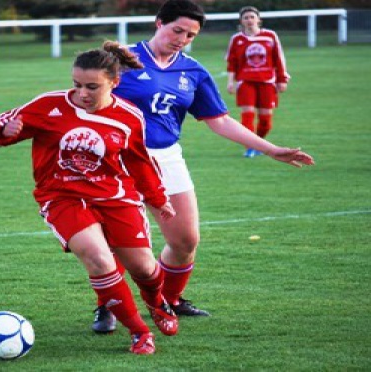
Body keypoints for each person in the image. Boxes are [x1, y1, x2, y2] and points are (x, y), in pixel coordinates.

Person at [91, 0, 314, 334]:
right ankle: (107, 307)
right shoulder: (120, 61)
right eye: (177, 29)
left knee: (185, 240)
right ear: (158, 23)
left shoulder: (193, 71)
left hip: (166, 158)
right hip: (117, 160)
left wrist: (270, 149)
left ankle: (170, 300)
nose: (182, 38)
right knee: (120, 242)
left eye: (190, 34)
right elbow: (84, 100)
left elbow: (220, 121)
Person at [0, 41, 181, 355]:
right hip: (62, 197)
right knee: (99, 258)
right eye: (77, 84)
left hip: (116, 196)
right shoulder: (50, 105)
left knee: (144, 269)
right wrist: (4, 131)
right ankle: (140, 332)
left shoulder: (129, 117)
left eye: (93, 86)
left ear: (114, 84)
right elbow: (4, 127)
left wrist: (158, 198)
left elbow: (138, 162)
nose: (82, 93)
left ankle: (156, 301)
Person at [226, 6, 290, 158]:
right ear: (241, 21)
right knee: (247, 116)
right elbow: (231, 62)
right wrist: (230, 82)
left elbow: (279, 59)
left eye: (252, 17)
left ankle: (259, 144)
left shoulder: (270, 36)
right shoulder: (237, 39)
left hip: (267, 82)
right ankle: (250, 147)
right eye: (246, 18)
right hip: (245, 82)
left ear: (258, 20)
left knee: (265, 121)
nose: (249, 20)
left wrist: (282, 79)